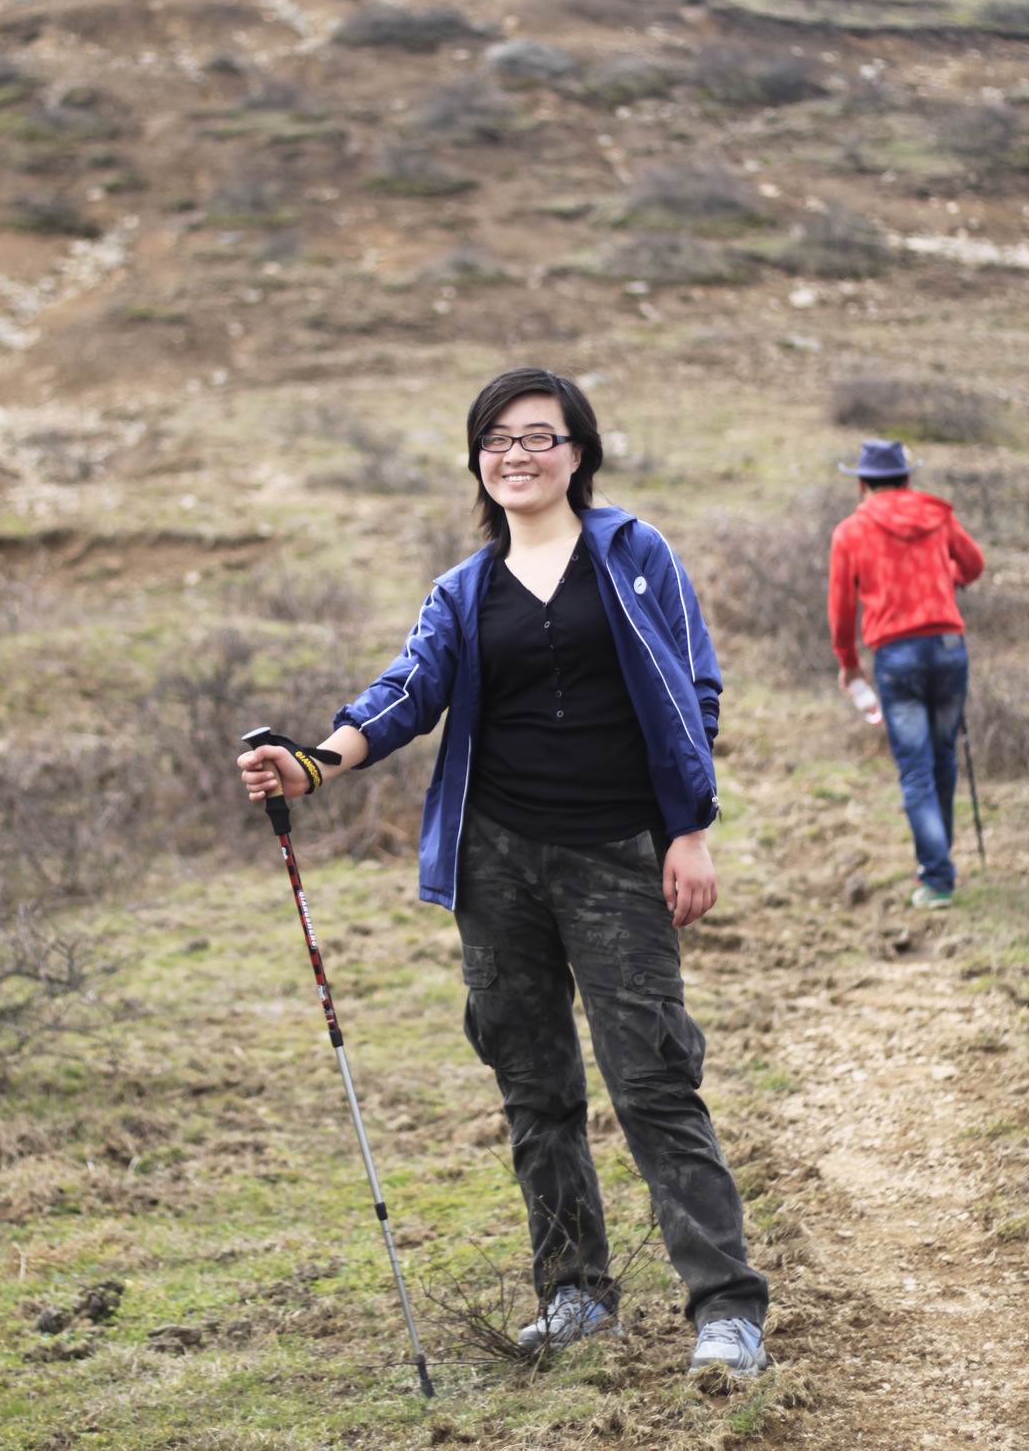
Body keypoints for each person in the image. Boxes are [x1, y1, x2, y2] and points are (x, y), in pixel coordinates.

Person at [239, 367, 769, 1374]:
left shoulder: (635, 554)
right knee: (534, 1087)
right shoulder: (465, 589)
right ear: (478, 460)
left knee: (653, 1082)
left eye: (538, 436)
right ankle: (575, 1295)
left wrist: (689, 829)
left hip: (616, 854)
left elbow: (691, 688)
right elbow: (405, 693)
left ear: (578, 452)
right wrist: (313, 763)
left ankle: (726, 1311)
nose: (515, 455)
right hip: (497, 865)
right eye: (497, 439)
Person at [828, 439, 985, 910]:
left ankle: (937, 878)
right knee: (942, 759)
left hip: (897, 657)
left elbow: (842, 609)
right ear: (907, 478)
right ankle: (938, 866)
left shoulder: (851, 531)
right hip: (949, 648)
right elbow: (974, 564)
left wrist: (848, 663)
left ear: (862, 484)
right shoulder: (937, 515)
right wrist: (945, 580)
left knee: (916, 769)